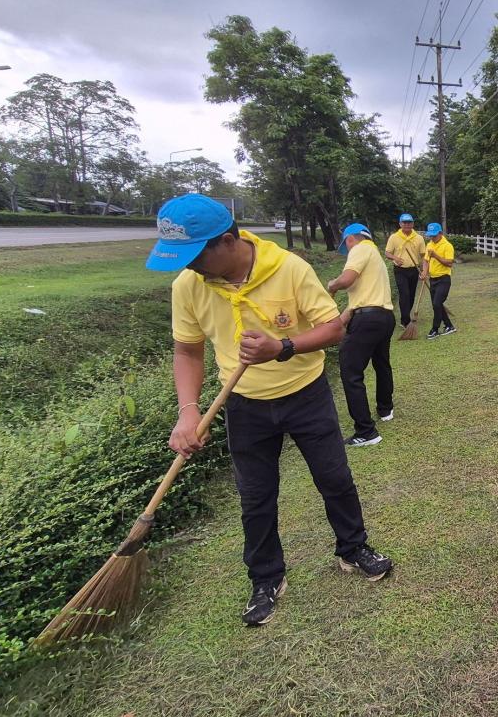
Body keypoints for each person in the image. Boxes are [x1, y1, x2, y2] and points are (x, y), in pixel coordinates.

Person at [149, 194, 392, 628]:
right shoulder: (188, 285)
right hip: (244, 406)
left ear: (226, 241)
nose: (187, 266)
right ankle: (266, 578)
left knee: (335, 478)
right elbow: (187, 350)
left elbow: (334, 327)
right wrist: (188, 412)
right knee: (255, 498)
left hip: (306, 394)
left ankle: (353, 550)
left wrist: (282, 347)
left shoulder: (289, 268)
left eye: (193, 255)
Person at [329, 223, 395, 447]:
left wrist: (332, 285)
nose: (347, 251)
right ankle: (386, 409)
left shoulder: (359, 248)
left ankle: (366, 432)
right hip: (384, 318)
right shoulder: (375, 256)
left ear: (349, 239)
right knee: (382, 364)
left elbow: (345, 280)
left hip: (368, 321)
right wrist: (333, 325)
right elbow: (355, 306)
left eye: (345, 247)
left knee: (350, 372)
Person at [385, 213, 425, 335]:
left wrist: (424, 271)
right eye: (405, 222)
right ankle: (405, 320)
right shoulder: (394, 237)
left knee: (411, 295)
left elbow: (423, 255)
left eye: (409, 222)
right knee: (404, 294)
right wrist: (395, 258)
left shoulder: (418, 238)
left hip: (414, 269)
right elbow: (387, 253)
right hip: (400, 270)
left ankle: (406, 315)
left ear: (412, 224)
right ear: (400, 224)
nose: (407, 225)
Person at [421, 222, 456, 340]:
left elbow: (449, 263)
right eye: (430, 235)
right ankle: (449, 326)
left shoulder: (447, 245)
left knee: (437, 303)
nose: (432, 238)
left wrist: (435, 256)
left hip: (444, 279)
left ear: (440, 233)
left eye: (434, 235)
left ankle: (434, 329)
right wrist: (424, 272)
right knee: (437, 305)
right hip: (433, 279)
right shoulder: (429, 245)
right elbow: (426, 260)